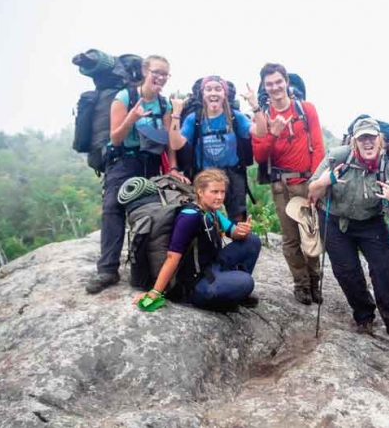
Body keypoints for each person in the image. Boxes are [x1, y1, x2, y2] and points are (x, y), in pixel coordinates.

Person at [307, 118, 389, 345]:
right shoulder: (336, 157)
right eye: (362, 138)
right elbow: (312, 189)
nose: (367, 143)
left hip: (370, 223)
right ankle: (364, 315)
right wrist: (325, 181)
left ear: (380, 140)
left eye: (371, 138)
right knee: (347, 272)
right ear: (354, 142)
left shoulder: (388, 169)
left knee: (386, 269)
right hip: (335, 221)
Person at [87, 55, 174, 294]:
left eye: (165, 74)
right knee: (113, 210)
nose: (161, 78)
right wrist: (132, 118)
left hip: (150, 164)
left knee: (150, 214)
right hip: (123, 161)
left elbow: (168, 143)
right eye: (157, 72)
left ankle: (146, 269)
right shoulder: (125, 97)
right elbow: (115, 137)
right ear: (145, 70)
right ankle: (107, 270)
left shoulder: (164, 105)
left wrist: (173, 169)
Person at [132, 168, 261, 311]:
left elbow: (233, 232)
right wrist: (155, 292)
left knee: (252, 241)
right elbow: (172, 257)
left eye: (222, 192)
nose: (219, 197)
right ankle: (222, 295)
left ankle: (231, 290)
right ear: (200, 192)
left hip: (212, 267)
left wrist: (242, 231)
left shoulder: (212, 212)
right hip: (195, 284)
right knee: (246, 282)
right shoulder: (189, 217)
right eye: (214, 192)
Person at [251, 63, 325, 305]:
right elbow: (260, 156)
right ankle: (301, 284)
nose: (274, 87)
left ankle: (315, 280)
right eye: (269, 84)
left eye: (278, 81)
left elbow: (318, 147)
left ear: (286, 82)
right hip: (282, 186)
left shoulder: (306, 109)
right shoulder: (263, 117)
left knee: (311, 234)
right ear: (265, 86)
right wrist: (273, 132)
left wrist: (316, 183)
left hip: (307, 181)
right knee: (291, 238)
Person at [168, 75, 258, 222]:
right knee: (201, 217)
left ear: (224, 94)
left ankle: (239, 242)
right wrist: (176, 114)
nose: (213, 93)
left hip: (233, 172)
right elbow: (175, 144)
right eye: (208, 89)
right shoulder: (194, 119)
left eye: (218, 89)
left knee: (237, 217)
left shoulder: (235, 117)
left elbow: (260, 132)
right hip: (204, 173)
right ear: (203, 94)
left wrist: (256, 106)